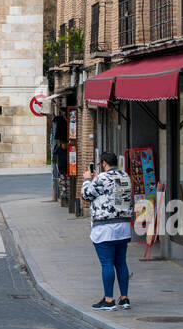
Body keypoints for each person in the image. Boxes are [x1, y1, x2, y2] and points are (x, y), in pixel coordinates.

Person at [80, 151, 133, 311]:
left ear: (103, 163)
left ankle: (109, 300)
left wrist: (88, 180)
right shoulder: (125, 176)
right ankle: (124, 298)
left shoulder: (101, 178)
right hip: (124, 227)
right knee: (121, 262)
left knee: (107, 263)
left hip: (105, 228)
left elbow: (86, 195)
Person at [51, 113, 69, 202]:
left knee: (67, 182)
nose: (64, 145)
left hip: (68, 168)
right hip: (62, 169)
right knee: (63, 182)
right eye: (63, 144)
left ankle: (66, 195)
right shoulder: (58, 149)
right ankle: (63, 196)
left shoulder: (68, 150)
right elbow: (54, 156)